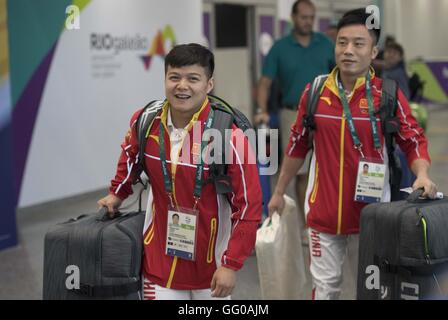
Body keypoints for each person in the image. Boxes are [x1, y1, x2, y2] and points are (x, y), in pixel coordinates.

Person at [268, 8, 437, 300]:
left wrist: (422, 174)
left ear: (373, 52)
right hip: (323, 215)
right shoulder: (315, 92)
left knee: (374, 293)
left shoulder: (387, 94)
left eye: (358, 44)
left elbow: (413, 139)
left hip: (373, 218)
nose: (348, 50)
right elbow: (297, 145)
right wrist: (279, 191)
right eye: (342, 42)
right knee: (325, 290)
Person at [98, 43, 262, 300]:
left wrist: (231, 263)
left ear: (209, 84)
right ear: (165, 79)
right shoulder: (146, 122)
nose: (182, 86)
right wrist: (117, 193)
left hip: (211, 269)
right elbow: (130, 155)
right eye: (174, 77)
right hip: (158, 262)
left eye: (193, 79)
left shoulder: (228, 136)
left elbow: (249, 206)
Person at [255, 0, 335, 242]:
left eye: (312, 17)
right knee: (300, 172)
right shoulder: (280, 48)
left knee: (326, 169)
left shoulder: (326, 45)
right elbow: (265, 83)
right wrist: (261, 109)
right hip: (293, 114)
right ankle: (307, 224)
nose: (308, 22)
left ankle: (328, 218)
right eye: (303, 17)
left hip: (326, 113)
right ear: (293, 17)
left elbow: (340, 76)